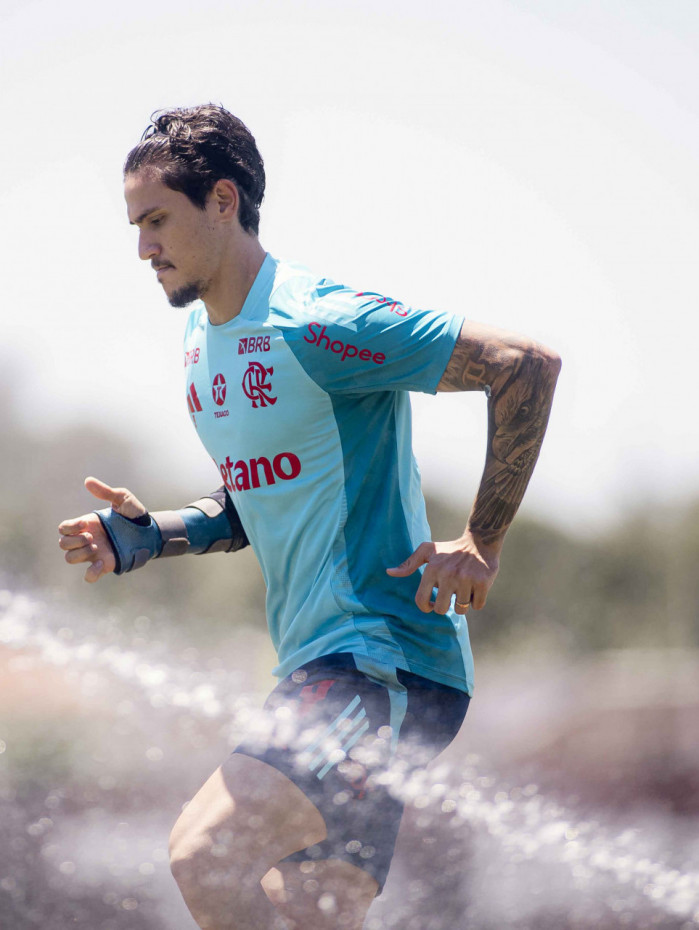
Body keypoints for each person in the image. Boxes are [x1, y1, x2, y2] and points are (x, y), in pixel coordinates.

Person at [58, 105, 561, 930]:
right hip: (328, 667)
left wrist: (482, 540)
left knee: (205, 855)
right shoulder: (199, 345)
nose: (143, 248)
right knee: (309, 916)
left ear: (223, 200)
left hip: (380, 664)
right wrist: (152, 535)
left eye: (157, 221)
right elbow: (251, 502)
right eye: (136, 226)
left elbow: (524, 366)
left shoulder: (318, 320)